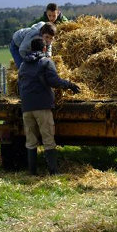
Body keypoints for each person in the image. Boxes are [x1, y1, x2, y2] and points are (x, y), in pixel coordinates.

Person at [18, 38, 80, 175]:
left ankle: (32, 172)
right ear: (44, 49)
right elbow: (54, 81)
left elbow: (20, 84)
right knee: (48, 139)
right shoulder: (46, 62)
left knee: (31, 140)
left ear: (31, 48)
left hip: (27, 107)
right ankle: (53, 171)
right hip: (42, 105)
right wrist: (70, 85)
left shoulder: (23, 65)